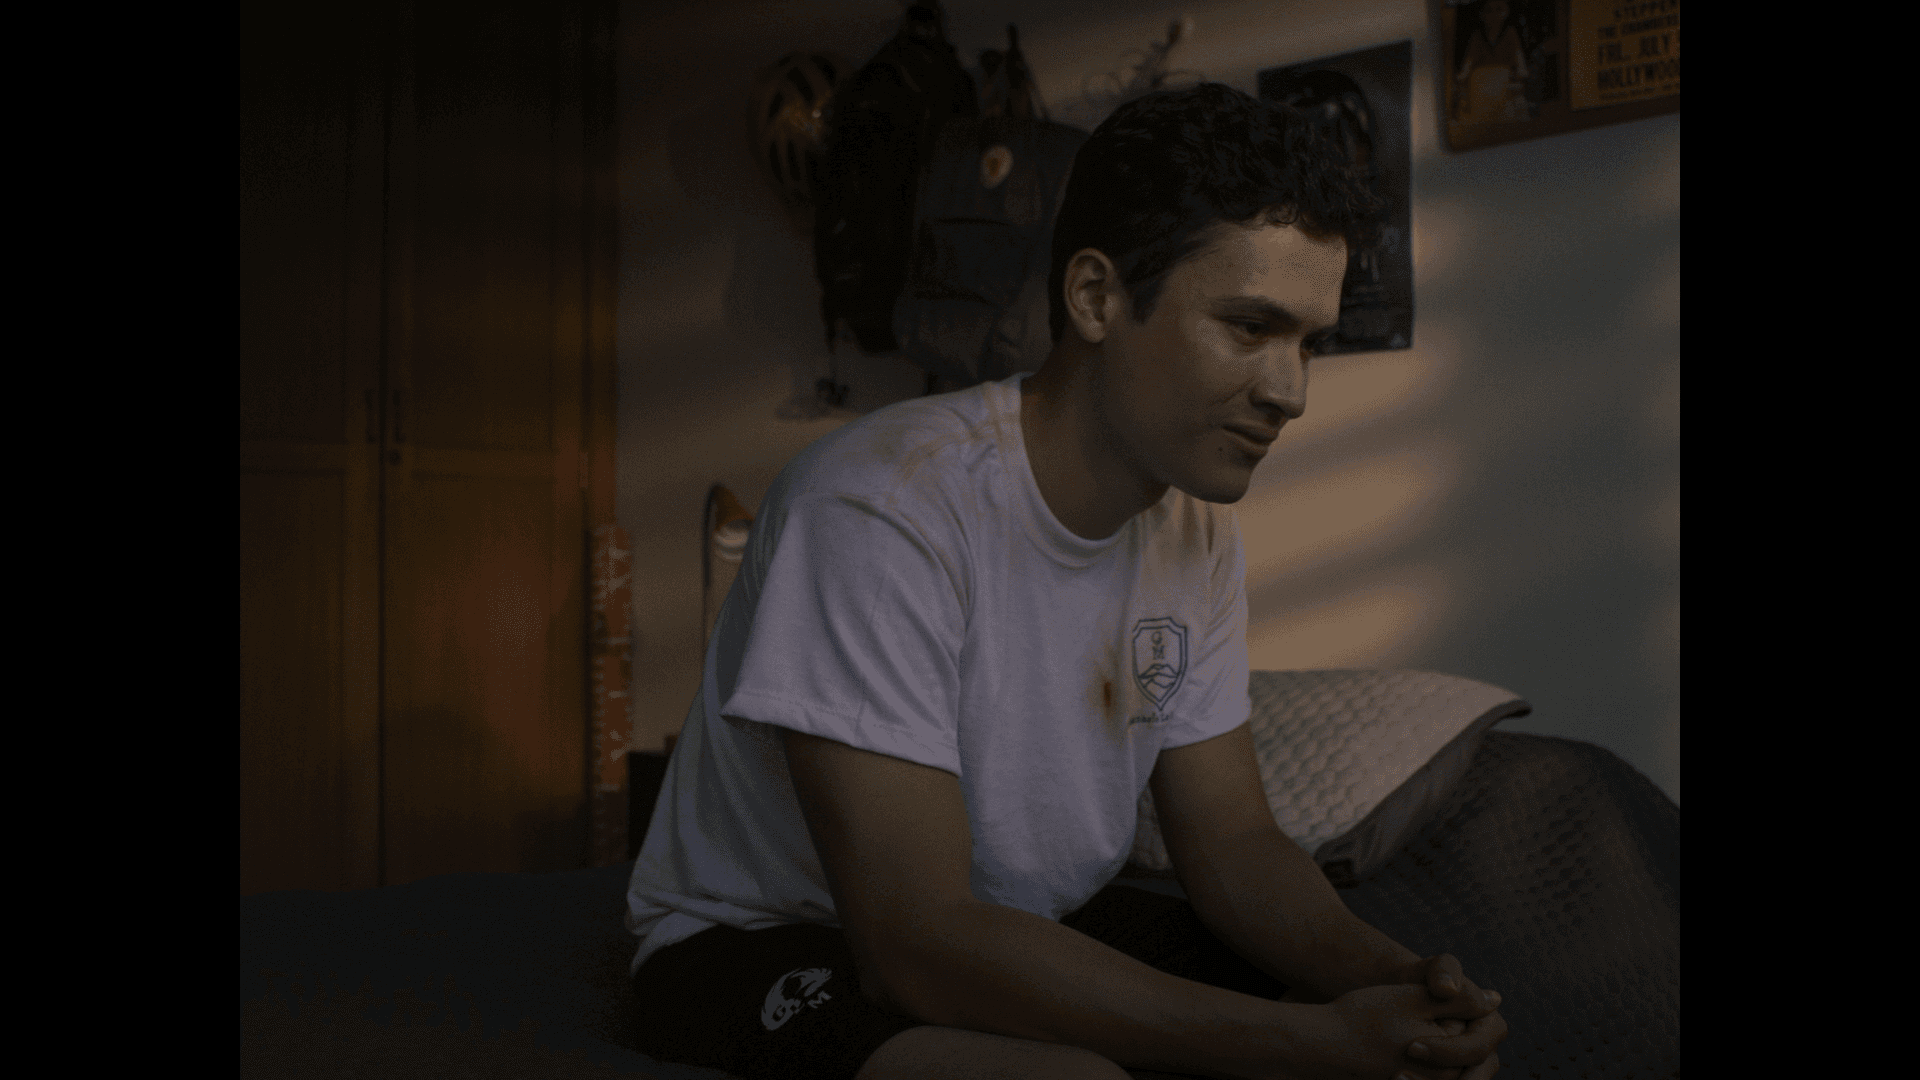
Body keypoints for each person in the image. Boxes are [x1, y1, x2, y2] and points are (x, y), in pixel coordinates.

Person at [625, 82, 1510, 1080]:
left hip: (1014, 921)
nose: (1290, 391)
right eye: (1249, 326)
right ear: (1095, 298)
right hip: (774, 941)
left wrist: (1389, 982)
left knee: (1399, 1049)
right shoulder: (884, 506)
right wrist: (1303, 1045)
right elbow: (915, 940)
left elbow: (1232, 844)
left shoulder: (1190, 528)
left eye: (1310, 340)